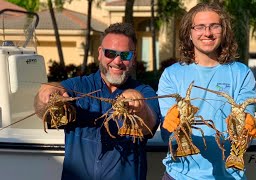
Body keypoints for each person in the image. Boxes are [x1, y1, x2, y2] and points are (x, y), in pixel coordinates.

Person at [34, 22, 161, 180]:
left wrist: (138, 104)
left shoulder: (145, 92)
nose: (117, 61)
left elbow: (149, 123)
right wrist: (47, 93)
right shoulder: (77, 86)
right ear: (100, 53)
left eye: (125, 55)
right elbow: (42, 110)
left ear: (133, 58)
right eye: (110, 53)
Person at [157, 2, 256, 180]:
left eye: (215, 26)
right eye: (200, 27)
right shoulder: (171, 75)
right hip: (179, 175)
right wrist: (172, 125)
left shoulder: (241, 73)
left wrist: (246, 127)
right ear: (189, 33)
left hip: (230, 175)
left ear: (224, 31)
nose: (207, 33)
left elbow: (246, 133)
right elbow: (168, 137)